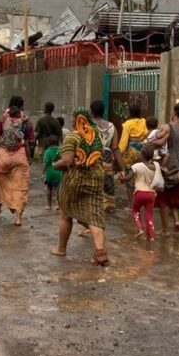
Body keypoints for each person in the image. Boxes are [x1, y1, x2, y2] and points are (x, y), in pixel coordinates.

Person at [52, 108, 110, 266]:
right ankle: (100, 252)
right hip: (96, 179)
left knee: (65, 214)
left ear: (76, 119)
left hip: (75, 180)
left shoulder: (73, 136)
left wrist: (54, 165)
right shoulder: (97, 135)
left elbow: (67, 161)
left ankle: (61, 249)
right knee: (94, 215)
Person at [149, 102, 179, 232]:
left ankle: (165, 229)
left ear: (175, 112)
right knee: (174, 194)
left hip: (167, 162)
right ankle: (176, 220)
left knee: (163, 197)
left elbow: (160, 142)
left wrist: (150, 142)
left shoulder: (168, 126)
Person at [0, 96, 34, 226]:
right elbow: (31, 141)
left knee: (2, 184)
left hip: (3, 154)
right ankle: (18, 217)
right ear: (21, 107)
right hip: (20, 155)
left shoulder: (2, 119)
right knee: (20, 187)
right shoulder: (26, 122)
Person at [119, 145, 161, 244]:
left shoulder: (137, 166)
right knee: (149, 215)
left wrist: (121, 178)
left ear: (142, 155)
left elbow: (128, 178)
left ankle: (140, 229)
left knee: (135, 210)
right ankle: (151, 237)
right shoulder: (155, 167)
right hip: (151, 194)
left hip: (139, 193)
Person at [90, 100, 122, 211]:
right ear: (103, 111)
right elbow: (115, 148)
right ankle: (108, 206)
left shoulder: (88, 125)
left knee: (92, 180)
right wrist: (122, 167)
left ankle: (92, 205)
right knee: (107, 180)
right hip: (107, 158)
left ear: (92, 112)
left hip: (92, 156)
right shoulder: (111, 126)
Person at [42, 135, 63, 210]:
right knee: (58, 190)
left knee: (49, 188)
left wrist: (43, 173)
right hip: (59, 173)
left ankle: (49, 204)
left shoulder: (47, 151)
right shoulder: (61, 150)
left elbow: (45, 163)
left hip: (49, 173)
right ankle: (57, 204)